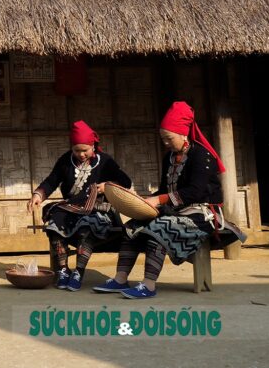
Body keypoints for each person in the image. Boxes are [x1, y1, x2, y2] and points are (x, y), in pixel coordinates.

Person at [94, 102, 247, 298]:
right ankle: (120, 279)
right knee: (132, 226)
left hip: (201, 213)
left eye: (169, 138)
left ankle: (148, 285)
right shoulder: (169, 158)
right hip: (175, 210)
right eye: (163, 139)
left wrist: (160, 199)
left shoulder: (202, 156)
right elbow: (165, 190)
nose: (165, 143)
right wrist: (146, 200)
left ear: (183, 134)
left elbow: (196, 191)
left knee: (160, 228)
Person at [27, 120, 132, 291]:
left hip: (99, 209)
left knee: (88, 225)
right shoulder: (65, 160)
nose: (81, 154)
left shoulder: (105, 161)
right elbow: (51, 181)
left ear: (93, 146)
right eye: (77, 150)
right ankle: (62, 270)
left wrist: (107, 186)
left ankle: (78, 272)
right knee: (54, 223)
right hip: (71, 209)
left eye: (85, 150)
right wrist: (38, 195)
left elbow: (126, 182)